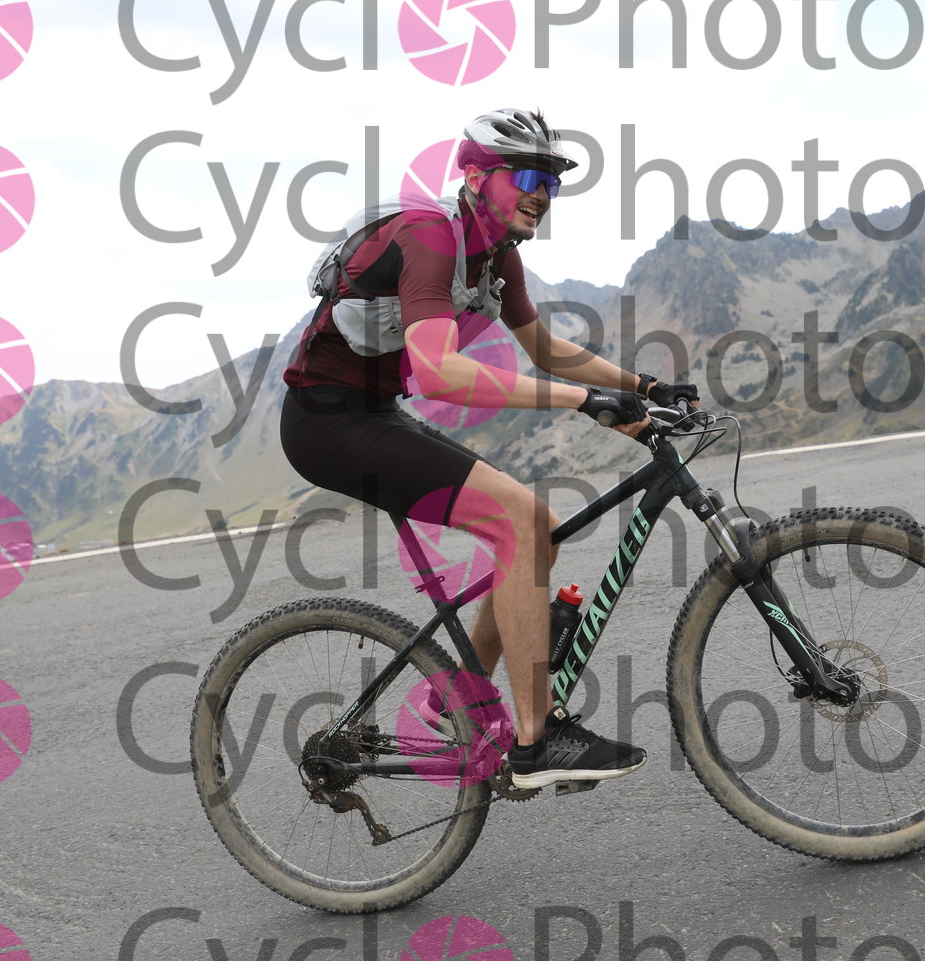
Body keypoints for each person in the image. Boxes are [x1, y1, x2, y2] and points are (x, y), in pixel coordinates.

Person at [281, 109, 698, 788]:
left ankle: (456, 697)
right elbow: (441, 372)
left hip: (374, 411)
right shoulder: (429, 238)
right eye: (528, 178)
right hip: (325, 423)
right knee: (516, 520)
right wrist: (582, 402)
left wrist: (642, 386)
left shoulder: (497, 256)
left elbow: (545, 349)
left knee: (536, 527)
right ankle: (537, 742)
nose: (542, 194)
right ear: (476, 178)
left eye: (551, 183)